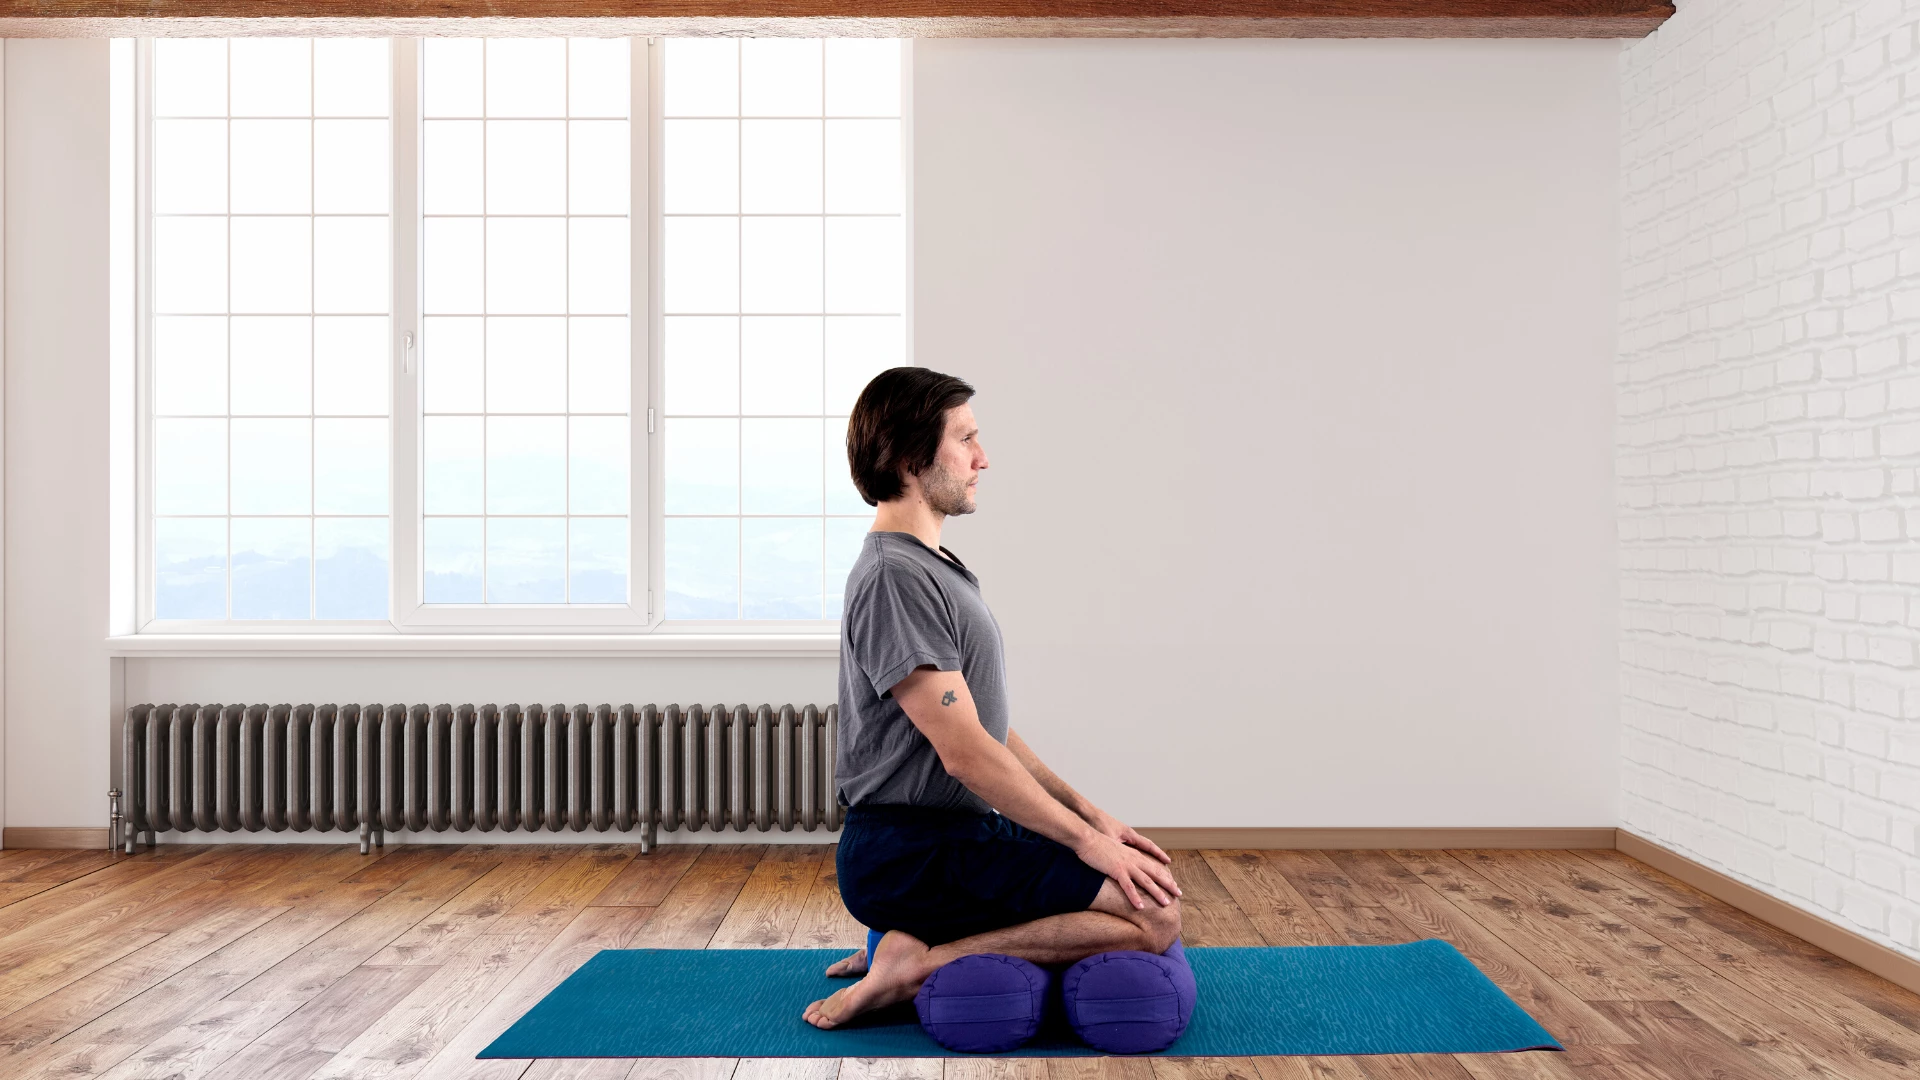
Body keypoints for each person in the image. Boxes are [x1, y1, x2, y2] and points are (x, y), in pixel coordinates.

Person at [803, 367, 1182, 1030]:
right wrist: (1087, 846)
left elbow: (987, 729)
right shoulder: (895, 576)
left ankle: (910, 944)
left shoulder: (931, 567)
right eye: (966, 440)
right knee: (1155, 920)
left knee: (1137, 881)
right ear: (909, 459)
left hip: (948, 837)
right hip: (910, 853)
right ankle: (920, 963)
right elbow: (966, 754)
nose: (984, 458)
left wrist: (1093, 819)